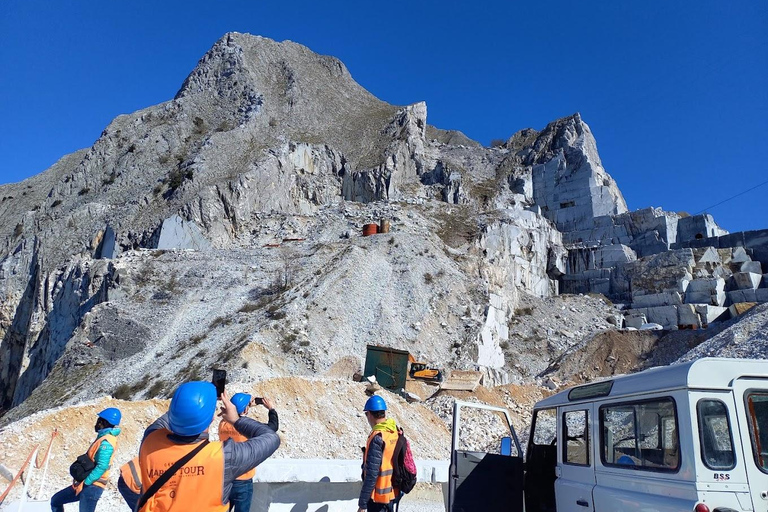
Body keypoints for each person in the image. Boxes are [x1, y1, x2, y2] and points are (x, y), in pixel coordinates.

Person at [138, 381, 280, 511]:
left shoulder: (150, 440)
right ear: (211, 418)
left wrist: (196, 401)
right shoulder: (223, 458)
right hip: (242, 478)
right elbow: (271, 436)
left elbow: (171, 417)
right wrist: (237, 419)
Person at [50, 407, 122, 512]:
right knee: (56, 500)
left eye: (99, 421)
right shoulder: (103, 437)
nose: (97, 423)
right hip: (87, 483)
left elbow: (102, 466)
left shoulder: (107, 442)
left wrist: (85, 483)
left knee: (56, 501)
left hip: (92, 486)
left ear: (105, 422)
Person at [217, 393, 279, 512]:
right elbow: (272, 428)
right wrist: (271, 409)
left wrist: (247, 406)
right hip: (243, 478)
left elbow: (234, 415)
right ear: (245, 409)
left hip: (225, 478)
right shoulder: (247, 429)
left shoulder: (223, 424)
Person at [358, 395, 399, 512]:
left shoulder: (377, 437)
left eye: (366, 414)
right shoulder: (393, 431)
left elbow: (371, 474)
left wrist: (362, 504)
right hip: (392, 493)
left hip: (379, 499)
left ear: (370, 414)